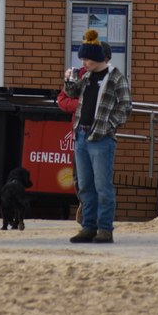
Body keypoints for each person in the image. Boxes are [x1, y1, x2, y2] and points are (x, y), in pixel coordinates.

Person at [61, 29, 131, 244]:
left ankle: (104, 229)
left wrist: (108, 125)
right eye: (82, 57)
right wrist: (69, 79)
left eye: (87, 58)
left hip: (101, 138)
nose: (84, 61)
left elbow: (125, 106)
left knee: (102, 186)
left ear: (98, 58)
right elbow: (72, 94)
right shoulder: (88, 76)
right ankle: (88, 227)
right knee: (85, 185)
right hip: (81, 135)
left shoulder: (116, 77)